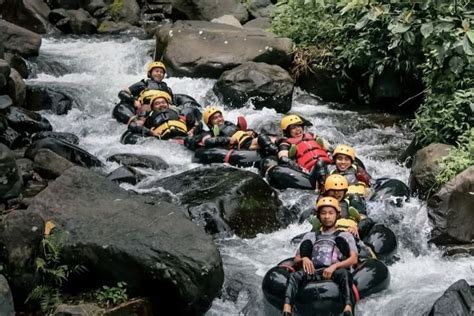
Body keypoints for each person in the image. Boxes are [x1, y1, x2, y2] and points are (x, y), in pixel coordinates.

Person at [282, 197, 358, 316]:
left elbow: (353, 259)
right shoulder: (310, 236)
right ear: (318, 216)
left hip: (334, 272)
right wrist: (305, 258)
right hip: (313, 272)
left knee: (345, 274)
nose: (327, 216)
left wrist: (335, 266)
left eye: (330, 213)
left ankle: (348, 307)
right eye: (323, 213)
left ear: (337, 215)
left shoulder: (345, 235)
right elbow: (296, 259)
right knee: (294, 276)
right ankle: (287, 308)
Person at [188, 106, 277, 155]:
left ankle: (277, 149)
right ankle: (275, 151)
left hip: (248, 139)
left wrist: (251, 132)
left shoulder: (229, 124)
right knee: (262, 138)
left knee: (274, 139)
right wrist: (228, 139)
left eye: (220, 116)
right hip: (243, 145)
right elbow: (207, 141)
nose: (219, 119)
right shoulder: (210, 132)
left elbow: (240, 131)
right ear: (209, 123)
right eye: (215, 118)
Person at [277, 114, 332, 191]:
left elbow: (327, 149)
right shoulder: (286, 143)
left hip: (328, 164)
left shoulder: (313, 136)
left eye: (299, 126)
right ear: (287, 131)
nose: (298, 129)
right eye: (293, 127)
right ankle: (324, 189)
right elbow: (283, 157)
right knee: (320, 163)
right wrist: (293, 164)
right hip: (310, 171)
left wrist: (332, 156)